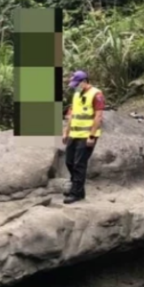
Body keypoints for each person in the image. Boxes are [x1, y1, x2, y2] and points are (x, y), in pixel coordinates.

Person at [62, 70, 105, 204]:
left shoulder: (96, 94)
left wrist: (91, 136)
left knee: (79, 164)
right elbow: (72, 114)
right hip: (74, 134)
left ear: (84, 81)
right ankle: (78, 188)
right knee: (69, 161)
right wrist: (66, 131)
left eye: (77, 83)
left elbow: (98, 116)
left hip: (87, 135)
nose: (76, 86)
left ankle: (76, 193)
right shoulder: (76, 95)